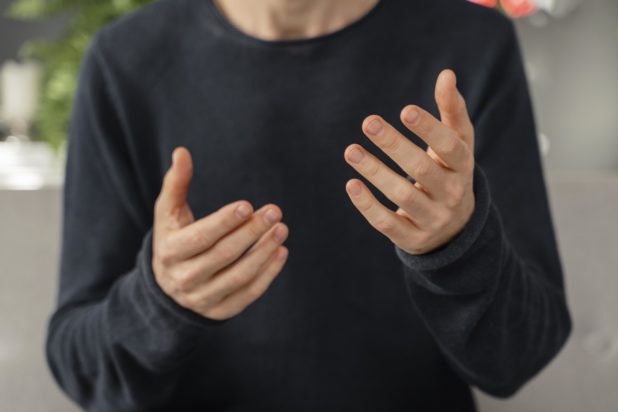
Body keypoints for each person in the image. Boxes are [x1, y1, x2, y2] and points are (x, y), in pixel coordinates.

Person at [45, 0, 572, 410]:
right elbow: (83, 368)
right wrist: (161, 301)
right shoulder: (126, 61)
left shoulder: (473, 45)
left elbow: (521, 356)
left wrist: (457, 246)